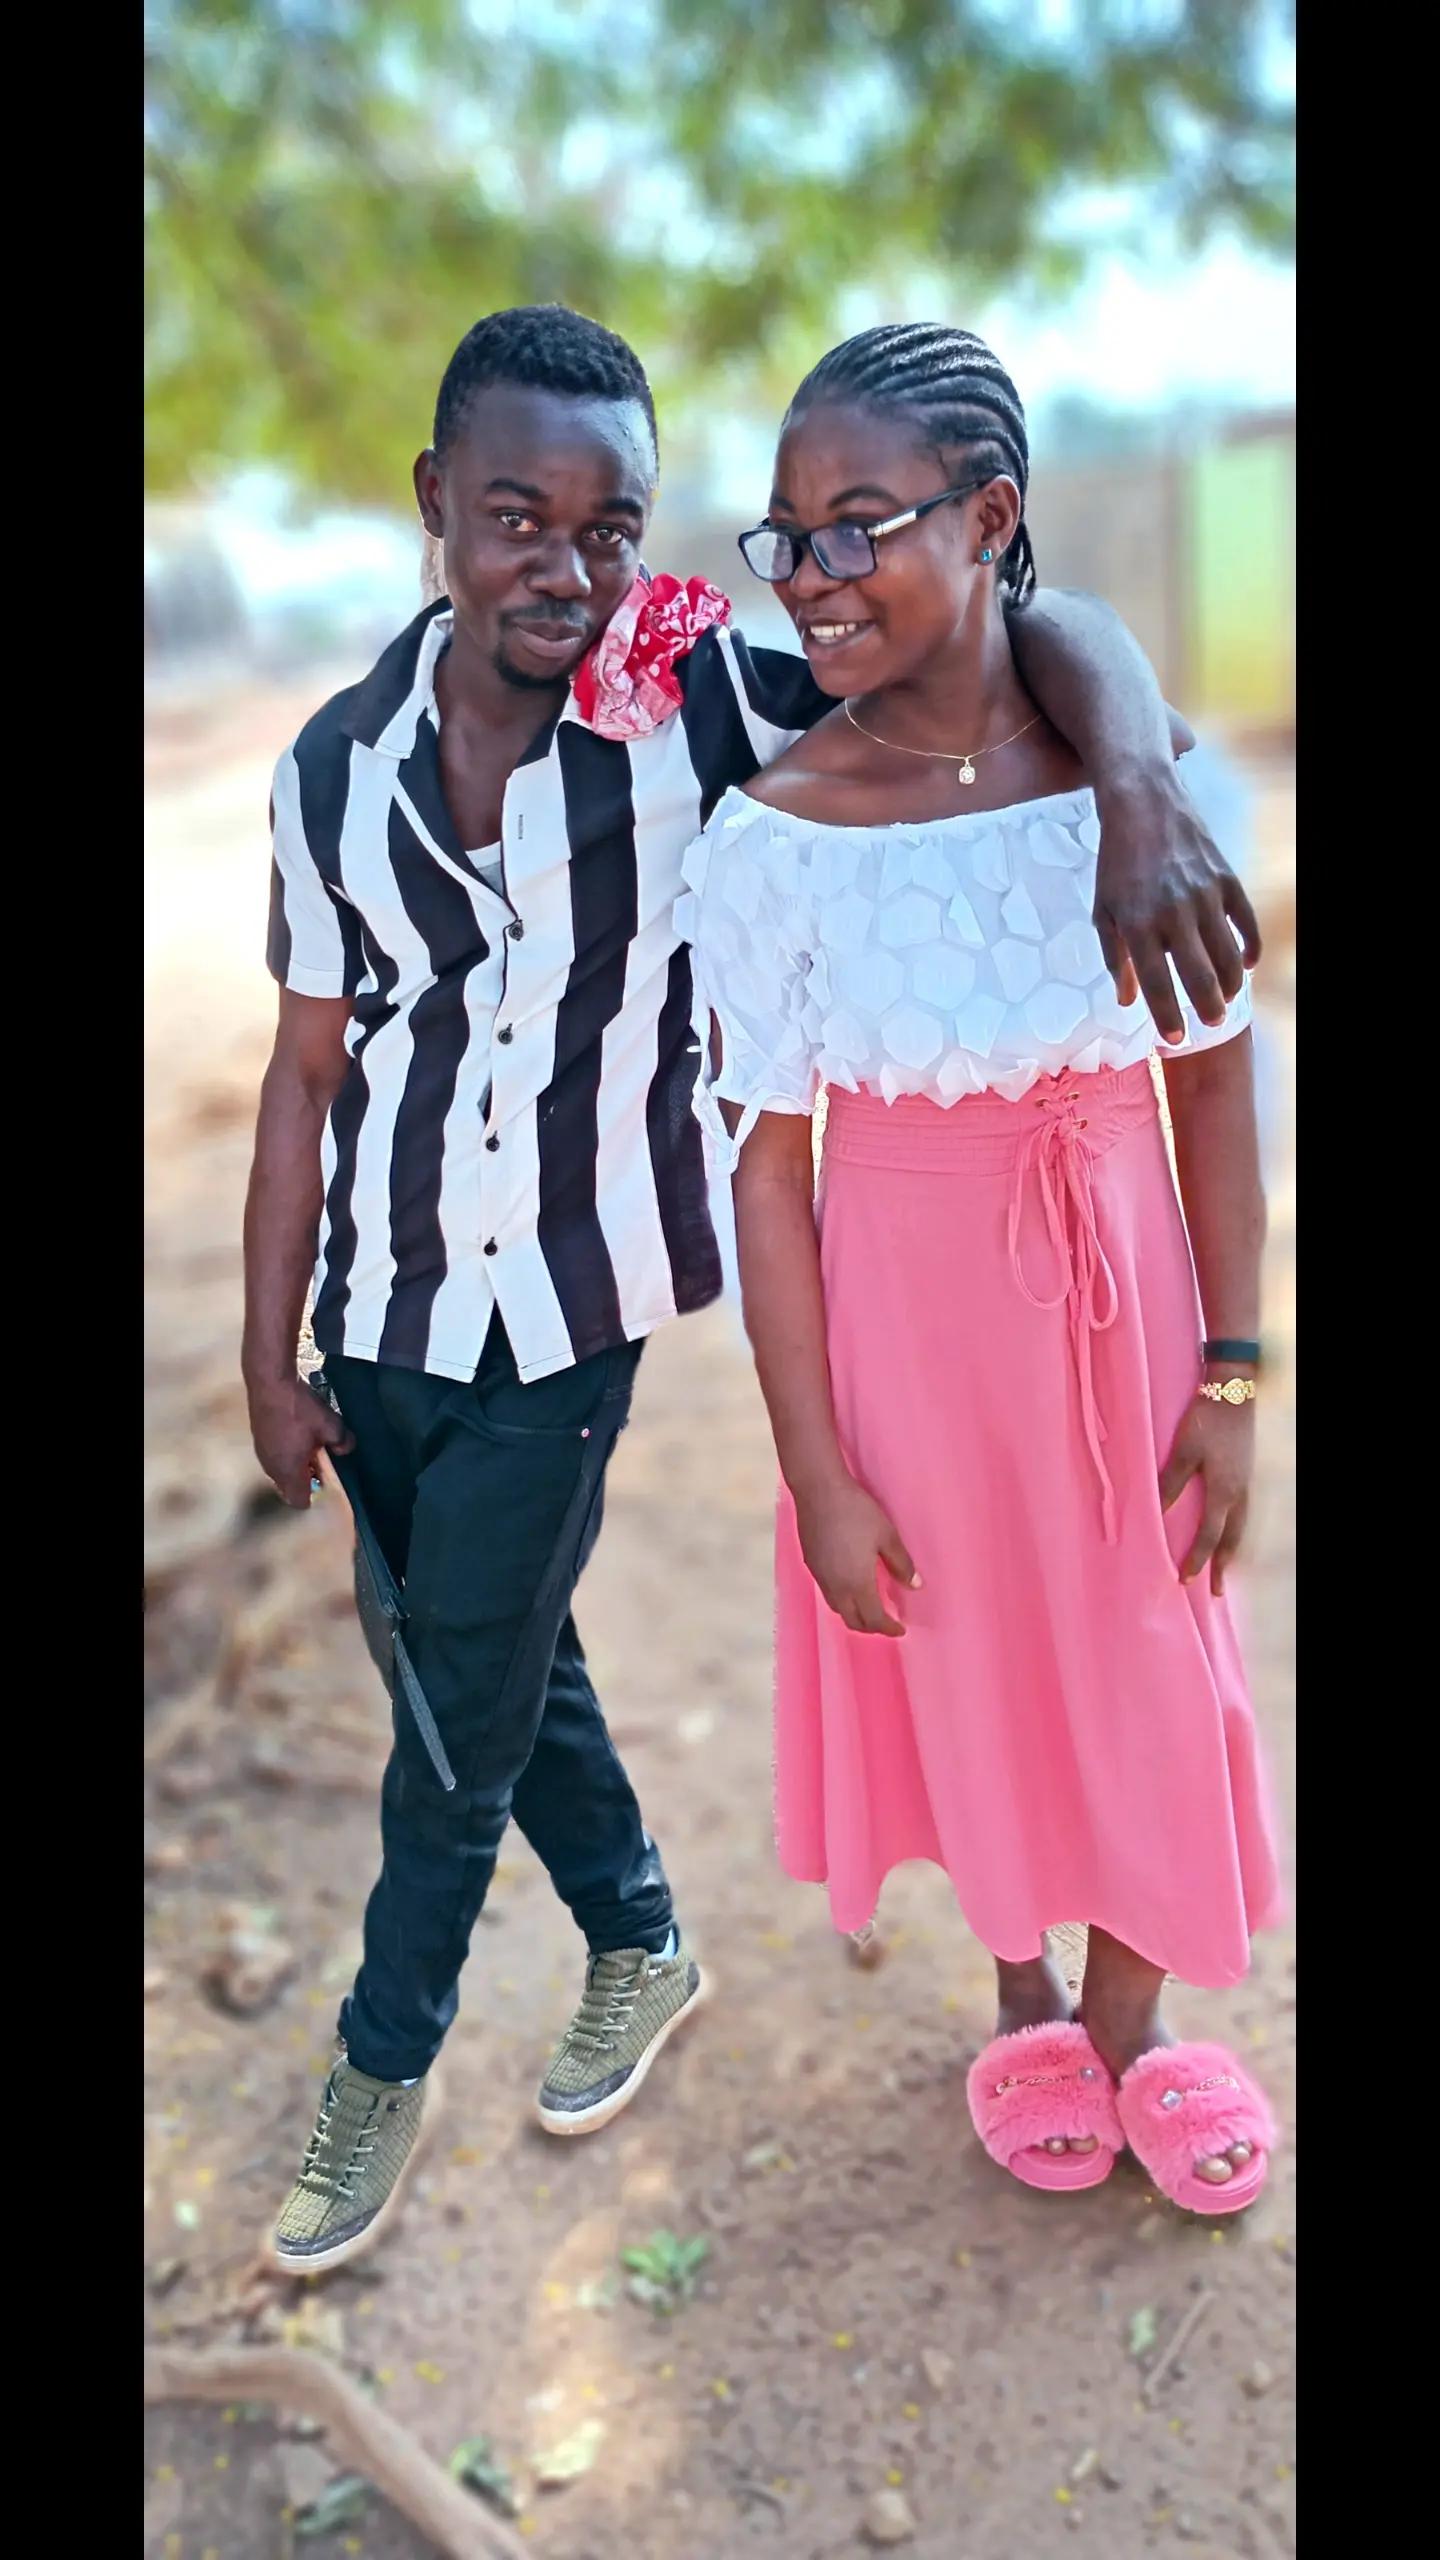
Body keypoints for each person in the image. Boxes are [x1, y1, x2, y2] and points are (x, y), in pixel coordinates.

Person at [244, 303, 1262, 2273]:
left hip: (658, 1300)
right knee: (509, 1651)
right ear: (434, 503)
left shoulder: (702, 691)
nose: (568, 566)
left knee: (464, 1697)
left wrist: (1138, 768)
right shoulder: (355, 769)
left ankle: (389, 2059)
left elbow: (1028, 631)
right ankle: (754, 1951)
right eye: (515, 517)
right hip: (438, 1299)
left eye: (613, 525)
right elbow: (321, 1071)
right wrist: (270, 1347)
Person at [681, 322, 1282, 2213]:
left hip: (1126, 1311)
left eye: (860, 525)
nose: (814, 576)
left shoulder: (1141, 791)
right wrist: (814, 1468)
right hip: (906, 1335)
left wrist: (1240, 1368)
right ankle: (1023, 1995)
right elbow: (769, 1172)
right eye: (789, 535)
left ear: (993, 516)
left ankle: (1138, 2020)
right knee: (967, 1660)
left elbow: (1216, 1082)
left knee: (1150, 1652)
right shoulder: (777, 834)